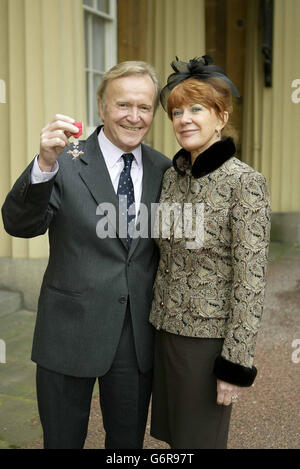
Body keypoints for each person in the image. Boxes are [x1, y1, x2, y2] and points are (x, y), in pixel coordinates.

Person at [2, 61, 171, 449]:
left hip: (136, 337)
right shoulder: (63, 158)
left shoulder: (165, 169)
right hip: (68, 333)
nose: (134, 117)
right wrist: (43, 164)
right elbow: (19, 225)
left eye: (144, 107)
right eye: (122, 105)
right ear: (101, 106)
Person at [149, 56, 271, 449]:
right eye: (177, 111)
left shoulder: (245, 183)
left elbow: (250, 280)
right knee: (174, 440)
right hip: (165, 333)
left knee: (199, 442)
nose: (184, 119)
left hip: (207, 342)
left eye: (196, 109)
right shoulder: (172, 176)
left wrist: (235, 362)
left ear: (221, 116)